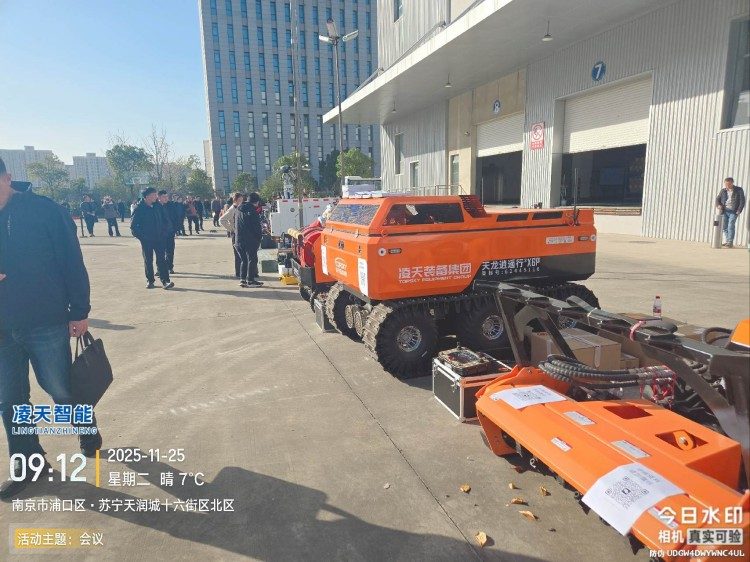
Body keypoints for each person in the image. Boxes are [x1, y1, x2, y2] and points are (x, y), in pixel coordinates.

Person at [0, 156, 102, 499]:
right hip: (2, 326)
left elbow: (71, 260)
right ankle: (29, 462)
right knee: (10, 400)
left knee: (60, 390)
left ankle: (86, 426)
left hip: (44, 319)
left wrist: (80, 310)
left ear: (7, 178)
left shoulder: (43, 210)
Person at [130, 188, 174, 289]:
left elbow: (166, 221)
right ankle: (150, 281)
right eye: (154, 194)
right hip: (147, 240)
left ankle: (165, 281)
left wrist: (164, 233)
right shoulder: (139, 208)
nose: (156, 196)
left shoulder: (158, 206)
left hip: (160, 239)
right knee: (148, 260)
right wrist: (143, 237)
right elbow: (133, 226)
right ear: (147, 196)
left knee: (162, 260)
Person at [234, 192, 264, 288]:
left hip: (238, 239)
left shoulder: (239, 209)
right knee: (252, 260)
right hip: (250, 240)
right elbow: (256, 227)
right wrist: (259, 237)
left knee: (244, 260)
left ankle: (242, 279)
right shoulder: (252, 211)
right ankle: (250, 280)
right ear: (257, 202)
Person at [219, 193, 245, 279]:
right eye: (239, 200)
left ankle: (242, 272)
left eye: (242, 200)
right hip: (236, 234)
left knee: (242, 254)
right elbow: (222, 220)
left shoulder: (239, 208)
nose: (241, 202)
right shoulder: (232, 209)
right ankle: (238, 273)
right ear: (235, 200)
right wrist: (232, 229)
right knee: (238, 254)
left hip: (241, 233)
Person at [715, 177, 745, 248]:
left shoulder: (739, 190)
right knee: (724, 226)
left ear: (732, 183)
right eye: (725, 184)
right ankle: (728, 241)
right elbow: (717, 199)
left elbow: (742, 201)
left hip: (734, 211)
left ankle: (730, 242)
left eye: (728, 184)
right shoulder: (723, 191)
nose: (727, 186)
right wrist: (718, 205)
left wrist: (739, 210)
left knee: (731, 225)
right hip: (725, 211)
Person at [159, 190, 180, 274]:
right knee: (160, 252)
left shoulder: (171, 205)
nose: (166, 198)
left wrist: (175, 230)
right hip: (159, 233)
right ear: (159, 197)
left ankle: (170, 267)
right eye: (164, 197)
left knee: (170, 251)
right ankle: (160, 269)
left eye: (167, 196)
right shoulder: (156, 206)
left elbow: (176, 217)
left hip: (170, 232)